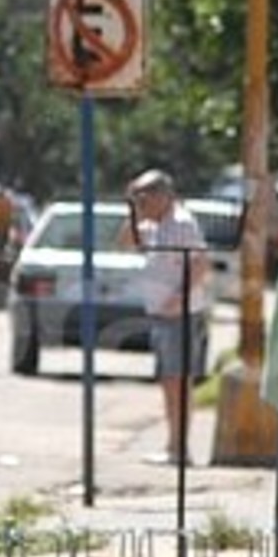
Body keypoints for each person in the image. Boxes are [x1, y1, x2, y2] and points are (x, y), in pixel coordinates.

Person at [117, 169, 210, 466]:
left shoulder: (181, 223)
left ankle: (179, 449)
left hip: (180, 315)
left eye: (144, 197)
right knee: (169, 382)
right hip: (161, 314)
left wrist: (178, 299)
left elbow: (200, 262)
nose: (140, 202)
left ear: (162, 196)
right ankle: (173, 445)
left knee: (178, 382)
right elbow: (126, 242)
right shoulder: (154, 224)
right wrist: (133, 210)